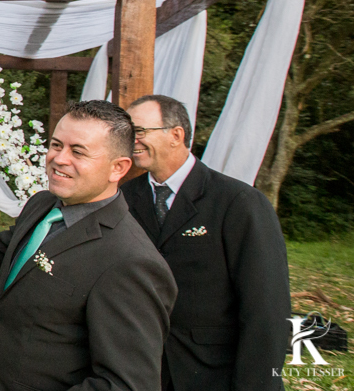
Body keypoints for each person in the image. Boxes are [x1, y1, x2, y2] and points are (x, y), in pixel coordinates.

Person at [0, 100, 177, 391]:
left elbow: (127, 384)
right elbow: (4, 250)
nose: (59, 159)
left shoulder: (130, 261)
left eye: (78, 151)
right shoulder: (43, 204)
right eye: (56, 145)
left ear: (118, 168)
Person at [122, 94, 291, 390]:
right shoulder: (121, 199)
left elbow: (266, 310)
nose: (131, 140)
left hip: (212, 374)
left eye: (140, 131)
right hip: (139, 371)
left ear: (176, 135)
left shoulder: (239, 203)